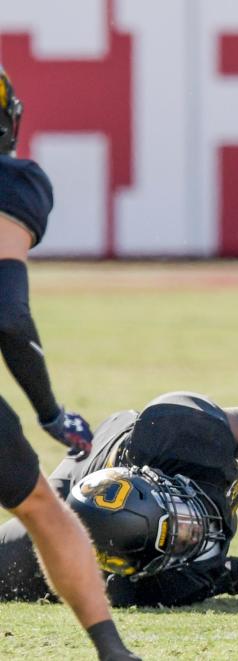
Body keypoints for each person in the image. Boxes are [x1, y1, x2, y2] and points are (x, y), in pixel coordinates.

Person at [0, 66, 138, 660]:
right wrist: (50, 412)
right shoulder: (14, 182)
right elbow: (7, 315)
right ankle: (112, 650)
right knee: (42, 509)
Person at [0, 391, 238, 607]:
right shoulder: (144, 584)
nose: (194, 535)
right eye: (179, 543)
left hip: (106, 451)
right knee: (13, 569)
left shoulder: (177, 434)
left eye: (181, 523)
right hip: (68, 503)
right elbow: (206, 577)